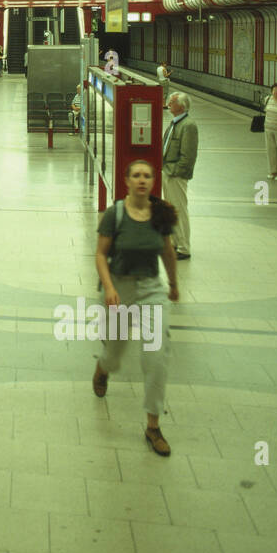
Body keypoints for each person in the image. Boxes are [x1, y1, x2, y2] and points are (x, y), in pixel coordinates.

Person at [92, 159, 180, 456]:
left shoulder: (159, 214)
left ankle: (153, 426)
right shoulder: (114, 214)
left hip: (152, 290)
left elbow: (167, 251)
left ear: (153, 181)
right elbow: (101, 255)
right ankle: (104, 367)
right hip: (121, 287)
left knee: (157, 357)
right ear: (127, 181)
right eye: (136, 176)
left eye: (147, 176)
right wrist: (110, 288)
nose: (142, 180)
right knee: (116, 351)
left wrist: (174, 284)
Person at [161, 93, 198, 261]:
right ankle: (176, 243)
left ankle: (184, 247)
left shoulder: (188, 125)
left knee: (179, 210)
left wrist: (176, 171)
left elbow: (188, 155)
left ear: (182, 106)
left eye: (172, 101)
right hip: (168, 172)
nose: (169, 103)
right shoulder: (176, 122)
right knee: (172, 210)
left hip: (175, 174)